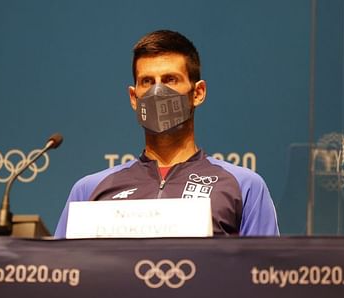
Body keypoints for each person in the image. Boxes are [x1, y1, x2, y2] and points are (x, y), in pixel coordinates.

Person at [55, 30, 279, 238]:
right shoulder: (88, 190)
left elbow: (262, 270)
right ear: (134, 98)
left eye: (170, 80)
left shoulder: (244, 186)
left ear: (198, 93)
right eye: (147, 81)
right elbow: (63, 272)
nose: (157, 91)